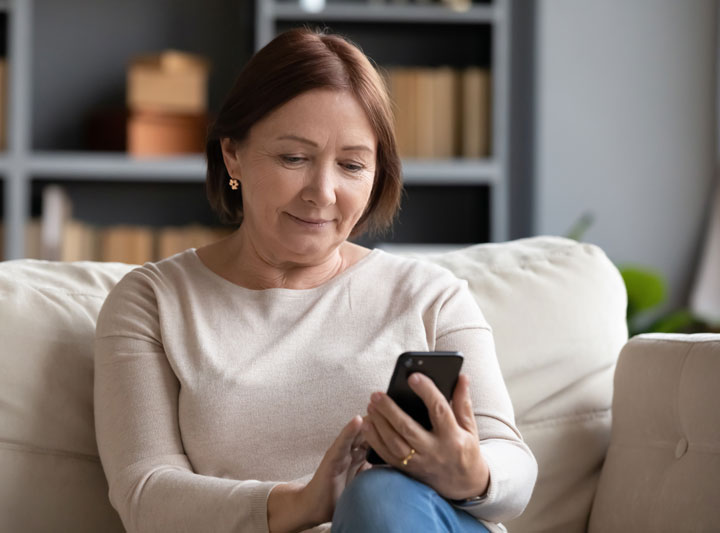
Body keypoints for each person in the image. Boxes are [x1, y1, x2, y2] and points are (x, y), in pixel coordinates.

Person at [93, 27, 537, 533]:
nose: (322, 193)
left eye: (351, 165)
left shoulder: (430, 294)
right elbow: (145, 495)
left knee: (381, 493)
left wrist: (471, 472)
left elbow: (515, 471)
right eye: (294, 158)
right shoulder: (152, 302)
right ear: (232, 153)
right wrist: (301, 504)